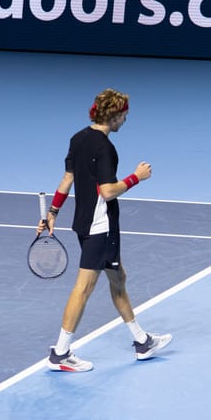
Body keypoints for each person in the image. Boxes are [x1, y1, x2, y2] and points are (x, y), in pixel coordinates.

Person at [37, 88, 172, 372]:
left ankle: (142, 341)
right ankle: (60, 353)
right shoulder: (105, 148)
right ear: (114, 115)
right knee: (84, 288)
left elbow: (67, 179)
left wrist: (53, 212)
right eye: (124, 115)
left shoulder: (78, 138)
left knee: (118, 277)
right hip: (101, 226)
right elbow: (109, 191)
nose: (126, 120)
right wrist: (137, 177)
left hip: (84, 222)